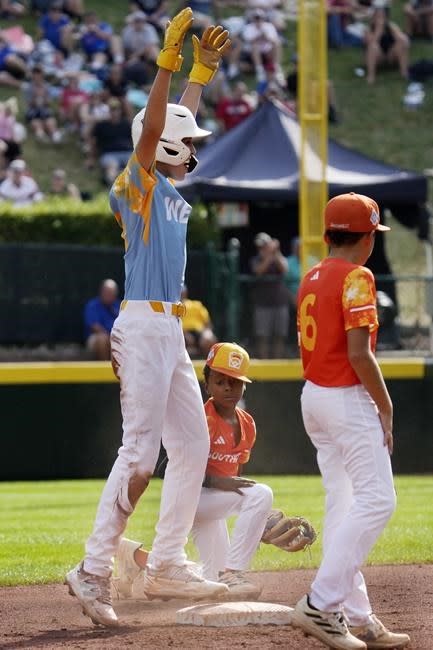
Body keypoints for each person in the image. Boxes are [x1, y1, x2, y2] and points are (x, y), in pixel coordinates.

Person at [65, 9, 232, 627]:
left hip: (169, 328)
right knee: (138, 453)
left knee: (189, 444)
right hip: (141, 325)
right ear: (161, 145)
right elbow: (155, 131)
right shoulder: (137, 183)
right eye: (187, 144)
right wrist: (167, 66)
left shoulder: (164, 184)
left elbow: (169, 127)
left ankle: (164, 562)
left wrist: (198, 77)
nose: (193, 150)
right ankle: (91, 570)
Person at [291, 193, 411, 649]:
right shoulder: (358, 276)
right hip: (346, 397)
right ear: (366, 239)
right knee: (378, 500)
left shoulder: (310, 276)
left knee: (343, 504)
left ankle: (358, 616)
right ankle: (321, 605)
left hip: (313, 397)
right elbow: (360, 354)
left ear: (327, 235)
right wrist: (386, 405)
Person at [116, 342, 275, 600]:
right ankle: (233, 573)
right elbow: (167, 469)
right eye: (220, 380)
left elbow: (235, 477)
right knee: (262, 493)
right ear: (206, 384)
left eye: (234, 382)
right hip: (189, 500)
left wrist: (258, 520)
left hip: (210, 508)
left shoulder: (248, 425)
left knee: (211, 585)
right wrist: (230, 488)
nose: (227, 387)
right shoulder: (200, 421)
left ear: (245, 385)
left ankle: (135, 559)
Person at [250, 231, 289, 359]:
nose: (262, 249)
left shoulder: (277, 257)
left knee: (280, 335)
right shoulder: (255, 260)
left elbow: (285, 269)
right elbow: (258, 271)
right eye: (260, 247)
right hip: (262, 303)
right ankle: (264, 363)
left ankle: (277, 363)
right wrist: (268, 256)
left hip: (280, 302)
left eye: (265, 246)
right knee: (263, 336)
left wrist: (276, 252)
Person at [83, 279, 120, 360]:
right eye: (107, 292)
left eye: (111, 293)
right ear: (101, 292)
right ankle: (105, 367)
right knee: (102, 339)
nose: (109, 295)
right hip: (97, 337)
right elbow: (94, 326)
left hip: (116, 337)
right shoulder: (92, 305)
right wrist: (110, 336)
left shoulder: (119, 306)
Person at [181, 285, 217, 357]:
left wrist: (207, 333)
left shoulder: (197, 305)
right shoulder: (172, 308)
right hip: (183, 333)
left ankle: (208, 362)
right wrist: (184, 334)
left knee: (208, 338)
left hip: (199, 332)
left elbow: (207, 323)